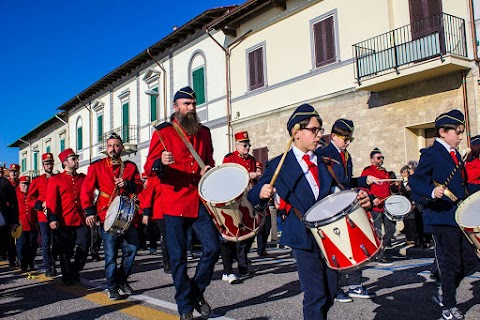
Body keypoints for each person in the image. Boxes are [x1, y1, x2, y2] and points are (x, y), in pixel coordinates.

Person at [248, 104, 371, 320]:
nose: (319, 134)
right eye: (314, 130)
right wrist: (261, 192)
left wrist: (359, 196)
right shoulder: (279, 165)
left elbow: (342, 189)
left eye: (320, 129)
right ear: (296, 133)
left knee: (331, 292)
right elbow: (254, 196)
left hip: (331, 236)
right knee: (315, 295)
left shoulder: (327, 162)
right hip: (302, 236)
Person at [144, 86, 220, 320]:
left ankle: (195, 292)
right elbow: (149, 167)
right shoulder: (163, 132)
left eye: (193, 104)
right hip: (174, 202)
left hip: (198, 200)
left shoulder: (204, 133)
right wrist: (161, 162)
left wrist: (208, 168)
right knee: (178, 258)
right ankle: (184, 307)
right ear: (176, 107)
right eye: (186, 104)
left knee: (212, 247)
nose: (191, 108)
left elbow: (209, 160)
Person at [409, 109, 479, 320]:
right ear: (442, 132)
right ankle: (448, 305)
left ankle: (444, 291)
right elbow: (415, 182)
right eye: (456, 132)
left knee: (471, 261)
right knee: (451, 264)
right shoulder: (431, 154)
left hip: (458, 217)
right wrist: (432, 191)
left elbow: (462, 187)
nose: (460, 136)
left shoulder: (457, 154)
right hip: (441, 217)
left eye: (460, 132)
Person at [317, 119, 375, 303]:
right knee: (337, 248)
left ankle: (355, 284)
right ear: (334, 136)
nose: (348, 142)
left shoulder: (346, 155)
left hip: (346, 206)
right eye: (345, 138)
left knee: (354, 244)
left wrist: (365, 180)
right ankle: (335, 289)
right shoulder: (324, 154)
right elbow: (323, 183)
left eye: (350, 138)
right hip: (331, 208)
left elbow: (346, 182)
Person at [81, 132, 143, 300]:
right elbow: (86, 191)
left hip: (126, 217)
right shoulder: (96, 167)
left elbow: (139, 185)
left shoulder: (130, 167)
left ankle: (122, 280)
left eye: (116, 145)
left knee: (132, 249)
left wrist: (128, 184)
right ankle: (112, 287)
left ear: (121, 148)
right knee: (111, 255)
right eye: (110, 146)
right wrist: (89, 212)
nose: (113, 149)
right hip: (106, 215)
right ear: (106, 149)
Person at [46, 148, 89, 285]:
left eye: (76, 158)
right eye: (73, 159)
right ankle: (67, 275)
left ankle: (75, 269)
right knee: (65, 250)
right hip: (64, 220)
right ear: (65, 163)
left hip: (80, 219)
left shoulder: (82, 178)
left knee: (84, 244)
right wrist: (52, 218)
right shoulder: (56, 179)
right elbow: (52, 200)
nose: (77, 161)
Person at [222, 131, 260, 282]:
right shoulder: (229, 158)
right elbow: (226, 176)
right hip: (234, 199)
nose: (248, 148)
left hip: (248, 199)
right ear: (237, 145)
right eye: (245, 145)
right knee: (233, 233)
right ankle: (238, 265)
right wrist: (246, 174)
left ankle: (242, 260)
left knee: (251, 231)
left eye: (249, 145)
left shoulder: (251, 159)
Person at [361, 147, 395, 266]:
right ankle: (379, 255)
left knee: (391, 230)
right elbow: (364, 188)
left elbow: (388, 188)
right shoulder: (368, 171)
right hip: (375, 207)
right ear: (372, 160)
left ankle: (380, 251)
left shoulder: (385, 172)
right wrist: (372, 198)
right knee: (377, 232)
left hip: (386, 205)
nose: (381, 160)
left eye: (382, 158)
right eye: (378, 158)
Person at [27, 152, 57, 276]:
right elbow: (30, 198)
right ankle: (48, 267)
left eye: (50, 163)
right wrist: (41, 205)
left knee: (56, 241)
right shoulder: (37, 180)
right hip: (43, 216)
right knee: (46, 241)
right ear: (43, 165)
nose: (49, 165)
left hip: (57, 215)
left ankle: (54, 263)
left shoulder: (58, 178)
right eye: (46, 163)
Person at [140, 174, 171, 274]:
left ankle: (176, 260)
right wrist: (146, 213)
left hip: (174, 210)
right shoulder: (154, 179)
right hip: (160, 212)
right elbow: (148, 196)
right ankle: (167, 262)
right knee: (166, 237)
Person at [16, 175, 38, 271]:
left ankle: (31, 261)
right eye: (24, 184)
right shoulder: (15, 194)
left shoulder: (33, 194)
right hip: (20, 224)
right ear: (20, 184)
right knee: (22, 245)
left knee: (33, 245)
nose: (26, 186)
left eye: (28, 184)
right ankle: (23, 263)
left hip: (32, 223)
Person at [0, 175, 19, 266]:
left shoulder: (5, 182)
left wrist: (14, 220)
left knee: (7, 238)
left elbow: (13, 202)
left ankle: (11, 258)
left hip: (3, 214)